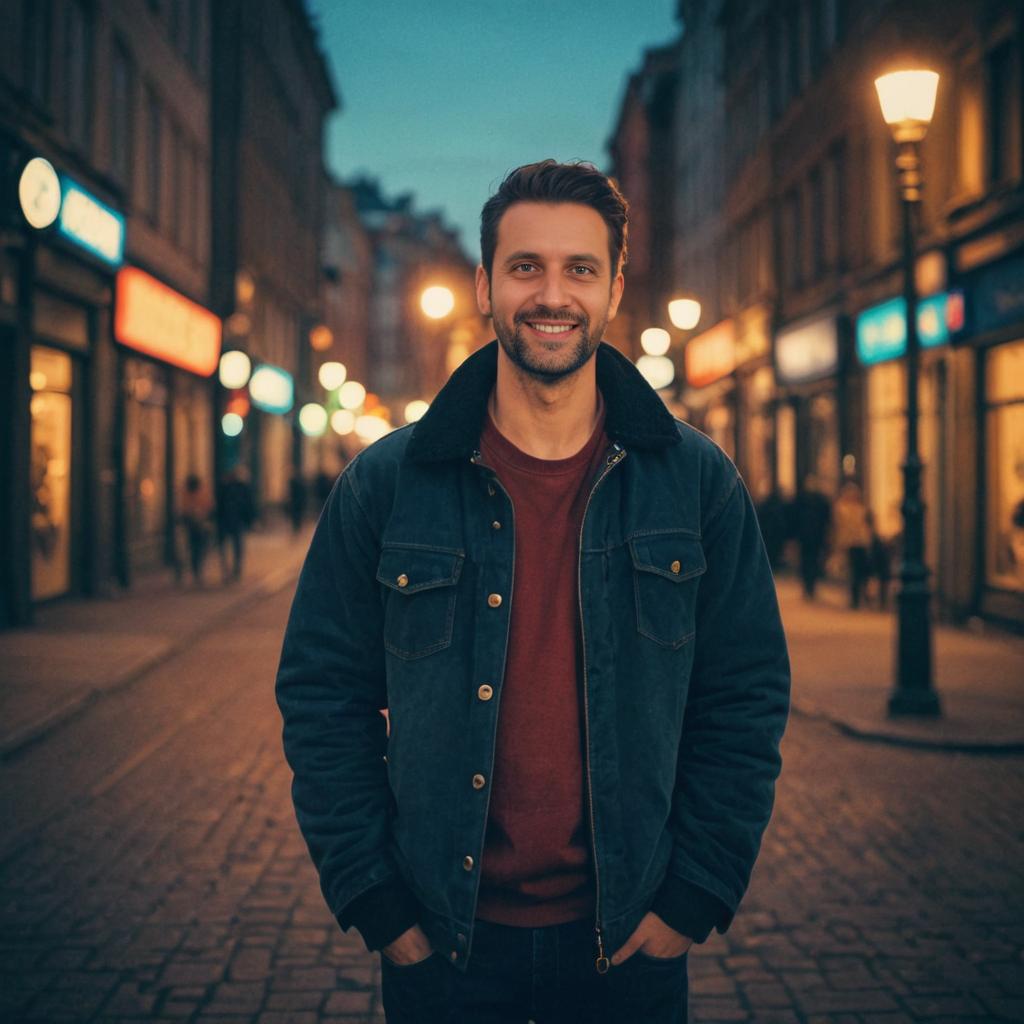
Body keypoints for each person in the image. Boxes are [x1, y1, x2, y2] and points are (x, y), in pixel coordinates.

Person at [276, 160, 790, 1023]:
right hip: (443, 949)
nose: (552, 294)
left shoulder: (697, 483)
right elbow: (323, 695)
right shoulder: (386, 484)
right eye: (526, 267)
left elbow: (744, 696)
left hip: (630, 947)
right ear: (484, 285)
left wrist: (692, 896)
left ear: (616, 287)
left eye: (580, 269)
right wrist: (379, 902)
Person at [832, 481, 872, 609]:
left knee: (861, 572)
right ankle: (855, 598)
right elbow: (839, 527)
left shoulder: (860, 509)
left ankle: (860, 597)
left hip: (860, 543)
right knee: (854, 572)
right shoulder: (842, 508)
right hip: (850, 544)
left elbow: (865, 526)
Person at [793, 474, 831, 599]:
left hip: (808, 536)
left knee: (808, 560)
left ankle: (809, 586)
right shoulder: (816, 500)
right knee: (810, 560)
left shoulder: (804, 499)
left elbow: (794, 517)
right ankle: (809, 586)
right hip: (812, 536)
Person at [217, 466, 254, 582]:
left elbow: (248, 504)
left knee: (233, 546)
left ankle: (233, 569)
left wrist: (249, 520)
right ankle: (229, 570)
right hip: (230, 521)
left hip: (233, 521)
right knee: (230, 546)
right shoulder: (228, 487)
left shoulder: (234, 487)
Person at [180, 473, 213, 585]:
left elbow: (208, 506)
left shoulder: (188, 494)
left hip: (196, 526)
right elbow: (209, 507)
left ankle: (196, 570)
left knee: (196, 549)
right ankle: (196, 571)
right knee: (198, 549)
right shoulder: (198, 493)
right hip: (197, 526)